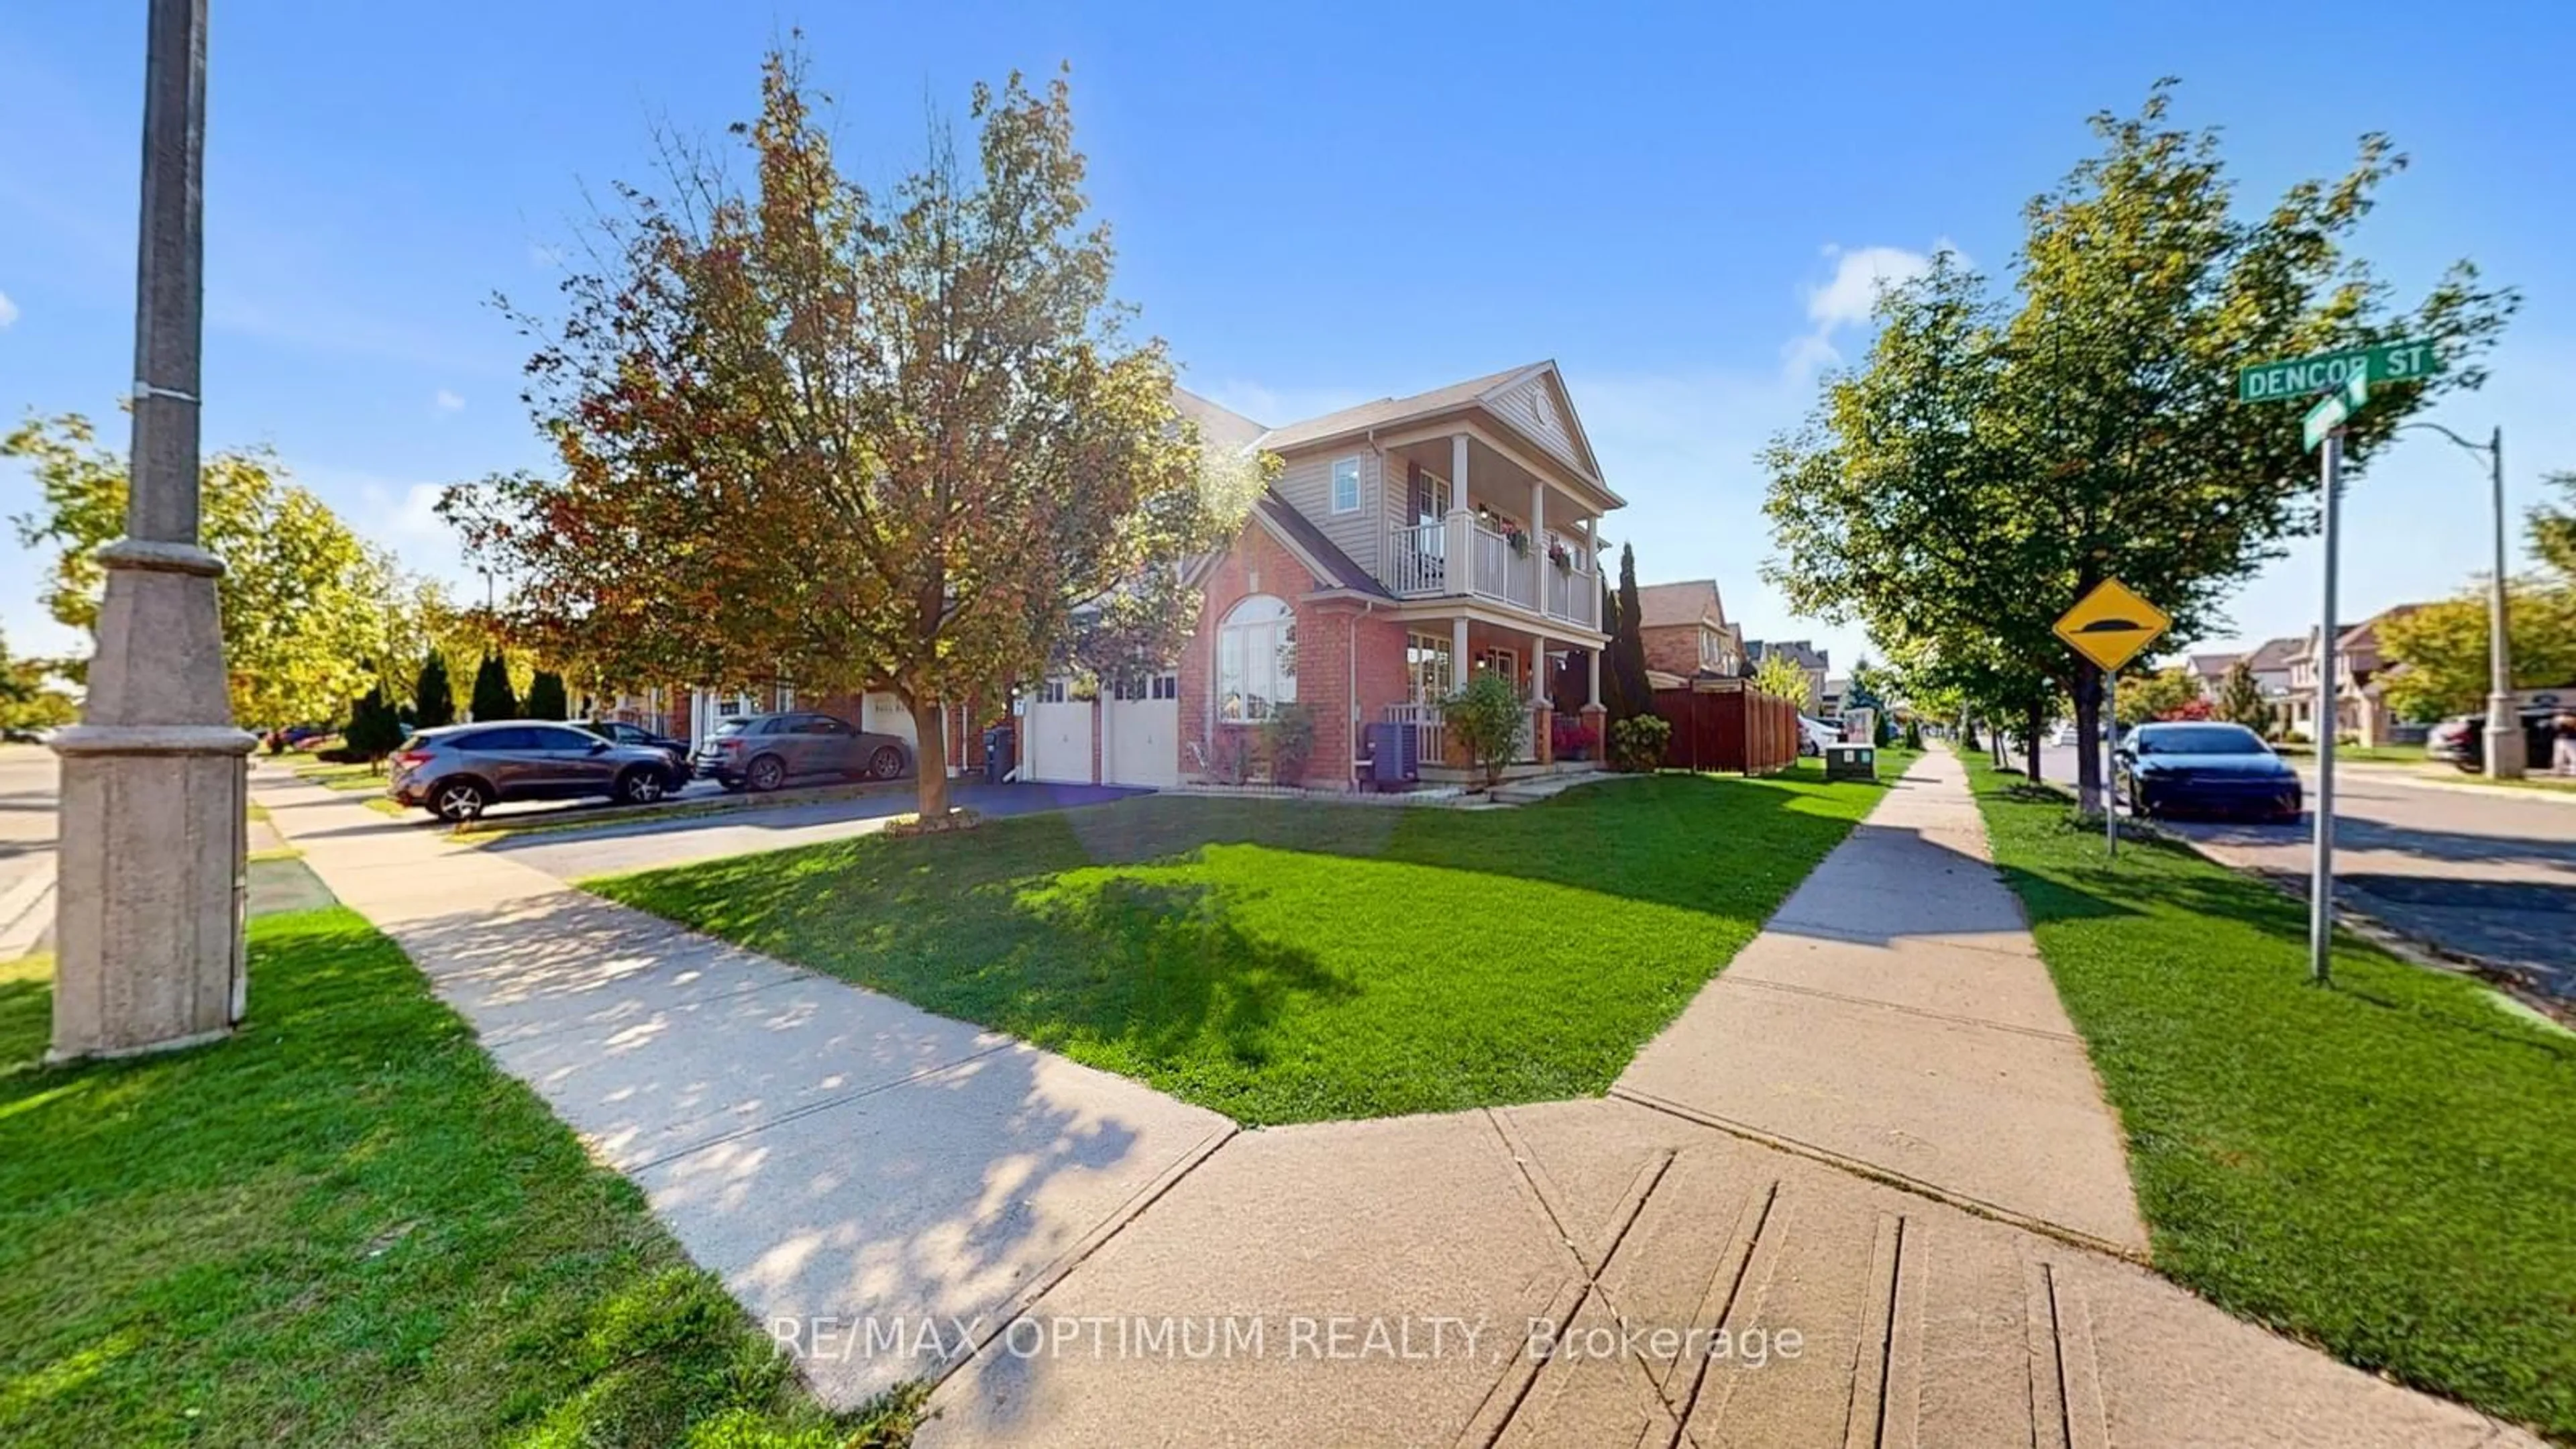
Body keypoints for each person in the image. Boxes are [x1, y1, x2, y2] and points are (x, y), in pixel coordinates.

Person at [2555, 713, 2576, 777]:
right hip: (2560, 739)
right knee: (2559, 758)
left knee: (2574, 757)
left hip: (2572, 739)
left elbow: (2572, 723)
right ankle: (2559, 772)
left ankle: (2574, 772)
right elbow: (2557, 723)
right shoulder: (2558, 718)